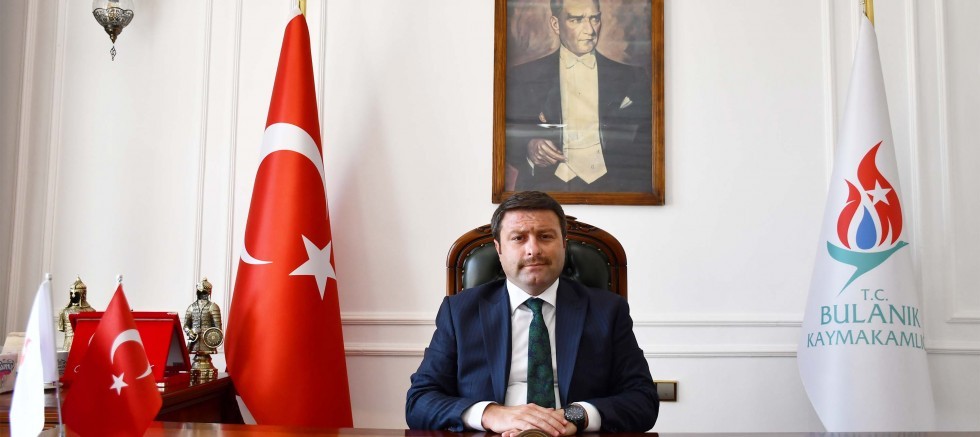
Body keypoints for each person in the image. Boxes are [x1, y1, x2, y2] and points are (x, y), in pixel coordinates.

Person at [406, 191, 658, 435]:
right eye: (518, 238)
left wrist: (575, 416)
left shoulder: (607, 310)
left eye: (545, 236)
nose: (533, 249)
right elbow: (419, 401)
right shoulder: (460, 312)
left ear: (563, 244)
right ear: (499, 249)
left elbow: (643, 399)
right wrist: (491, 414)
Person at [506, 0, 653, 193]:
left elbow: (648, 143)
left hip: (617, 189)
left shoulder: (633, 77)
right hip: (546, 189)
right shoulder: (523, 76)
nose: (590, 30)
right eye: (576, 20)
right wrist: (529, 147)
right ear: (556, 24)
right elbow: (506, 136)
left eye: (595, 19)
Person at [183, 277, 223, 354]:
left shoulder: (213, 307)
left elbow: (218, 329)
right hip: (194, 341)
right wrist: (189, 332)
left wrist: (213, 339)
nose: (202, 295)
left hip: (208, 341)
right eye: (200, 293)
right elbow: (186, 325)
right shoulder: (191, 307)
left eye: (204, 293)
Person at [57, 276, 96, 351]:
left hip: (84, 344)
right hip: (68, 345)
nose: (74, 295)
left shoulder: (91, 311)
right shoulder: (64, 311)